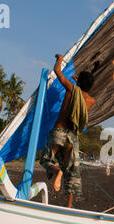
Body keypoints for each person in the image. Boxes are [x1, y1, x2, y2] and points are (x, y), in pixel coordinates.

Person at [40, 54, 95, 208]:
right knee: (72, 172)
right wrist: (80, 82)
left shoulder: (71, 89)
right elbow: (82, 94)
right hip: (72, 138)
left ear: (78, 81)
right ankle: (69, 207)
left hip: (59, 131)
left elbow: (57, 71)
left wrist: (59, 59)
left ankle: (57, 171)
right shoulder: (91, 100)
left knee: (46, 160)